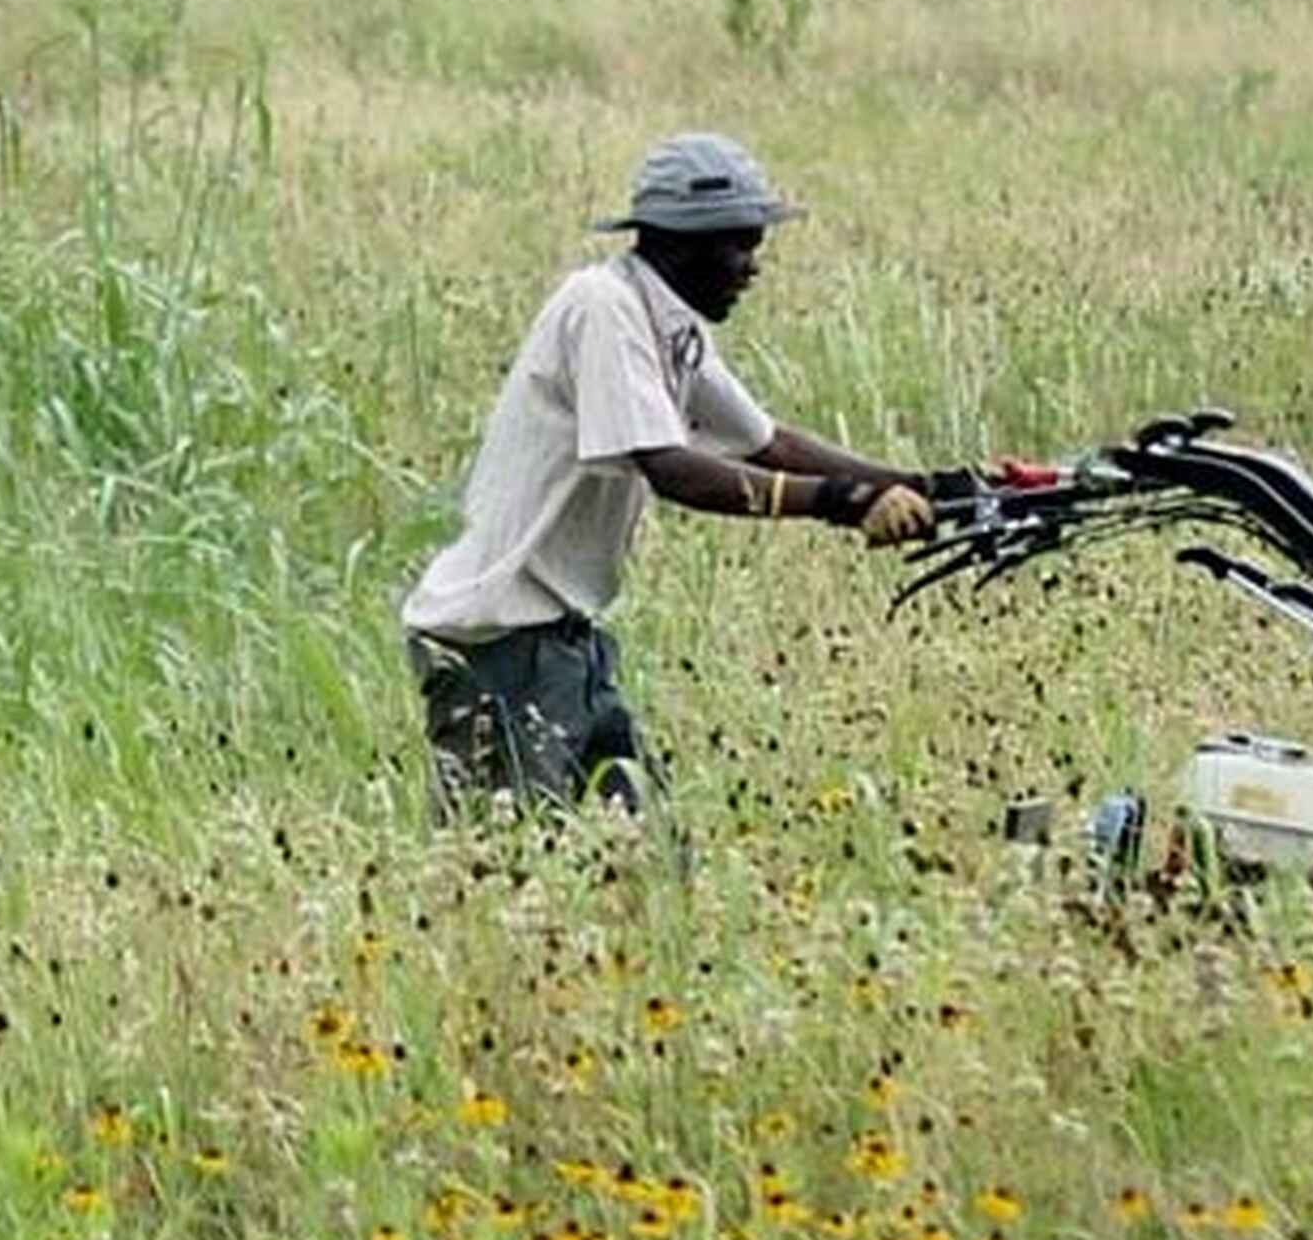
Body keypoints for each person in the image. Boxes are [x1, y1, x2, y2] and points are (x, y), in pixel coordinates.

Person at [400, 131, 990, 822]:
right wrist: (845, 503)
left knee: (645, 859)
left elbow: (771, 443)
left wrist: (940, 488)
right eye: (738, 246)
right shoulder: (602, 306)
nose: (751, 268)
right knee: (503, 872)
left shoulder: (670, 326)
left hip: (566, 640)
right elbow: (673, 469)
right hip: (499, 646)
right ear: (680, 242)